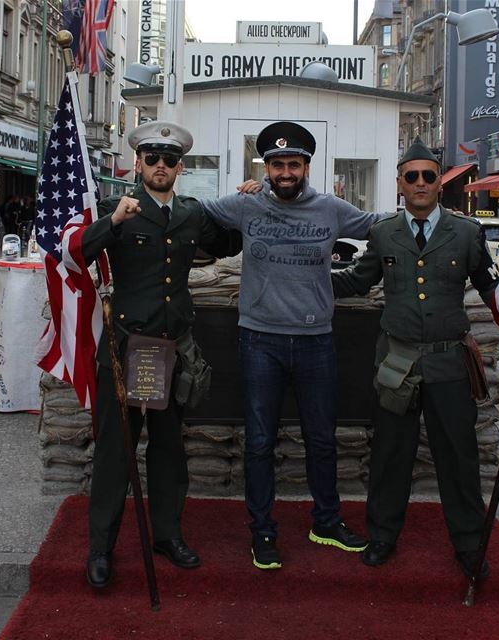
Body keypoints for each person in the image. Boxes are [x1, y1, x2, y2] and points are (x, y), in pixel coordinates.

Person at [201, 121, 387, 570]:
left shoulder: (331, 208)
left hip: (315, 342)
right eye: (277, 164)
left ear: (306, 166)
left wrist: (434, 209)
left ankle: (325, 520)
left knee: (321, 439)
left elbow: (379, 225)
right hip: (259, 340)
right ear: (266, 167)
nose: (286, 172)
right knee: (260, 441)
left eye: (294, 164)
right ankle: (262, 530)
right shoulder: (246, 205)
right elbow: (193, 212)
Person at [331, 137, 499, 578]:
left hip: (449, 364)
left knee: (459, 457)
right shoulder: (383, 232)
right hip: (397, 364)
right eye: (412, 176)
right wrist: (306, 278)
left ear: (439, 183)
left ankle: (468, 544)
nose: (421, 183)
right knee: (392, 455)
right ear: (399, 184)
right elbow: (359, 280)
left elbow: (490, 289)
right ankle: (383, 537)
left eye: (428, 176)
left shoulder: (466, 233)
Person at [80, 120, 241, 588]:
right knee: (117, 451)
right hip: (128, 346)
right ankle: (101, 546)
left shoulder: (191, 213)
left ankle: (167, 534)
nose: (161, 166)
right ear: (138, 163)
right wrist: (113, 223)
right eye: (153, 158)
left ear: (181, 167)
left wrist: (251, 202)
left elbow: (228, 243)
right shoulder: (117, 207)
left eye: (170, 160)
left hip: (173, 349)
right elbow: (79, 253)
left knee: (171, 449)